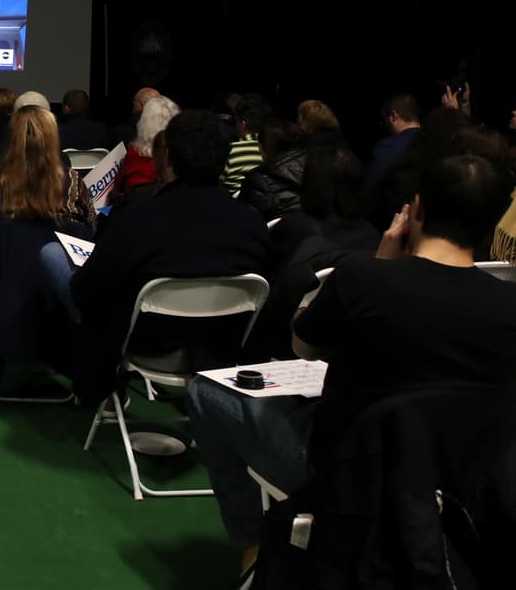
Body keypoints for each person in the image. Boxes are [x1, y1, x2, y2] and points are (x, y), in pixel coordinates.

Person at [185, 154, 516, 586]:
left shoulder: (363, 277)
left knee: (204, 393)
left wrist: (382, 261)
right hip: (460, 495)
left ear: (416, 208)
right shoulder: (509, 309)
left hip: (344, 480)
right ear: (492, 222)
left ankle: (254, 541)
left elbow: (301, 345)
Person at [40, 109, 272, 407]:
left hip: (142, 341)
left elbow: (86, 294)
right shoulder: (252, 223)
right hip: (220, 346)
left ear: (167, 157)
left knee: (52, 256)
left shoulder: (136, 219)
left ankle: (85, 373)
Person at [0, 104, 92, 270]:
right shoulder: (73, 181)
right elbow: (90, 225)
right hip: (54, 279)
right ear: (53, 137)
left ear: (12, 136)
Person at [366, 92, 421, 188]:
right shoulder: (437, 138)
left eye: (384, 120)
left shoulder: (386, 148)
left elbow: (372, 186)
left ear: (393, 116)